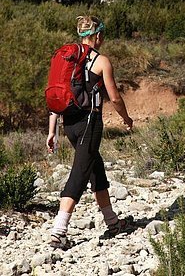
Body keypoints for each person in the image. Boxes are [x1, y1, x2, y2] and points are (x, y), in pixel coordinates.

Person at [47, 15, 134, 250]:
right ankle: (59, 230)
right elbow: (114, 97)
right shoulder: (101, 61)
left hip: (69, 124)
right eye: (102, 35)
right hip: (89, 123)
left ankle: (112, 222)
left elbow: (58, 93)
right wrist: (126, 119)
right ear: (97, 35)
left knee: (95, 168)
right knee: (80, 172)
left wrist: (52, 130)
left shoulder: (67, 58)